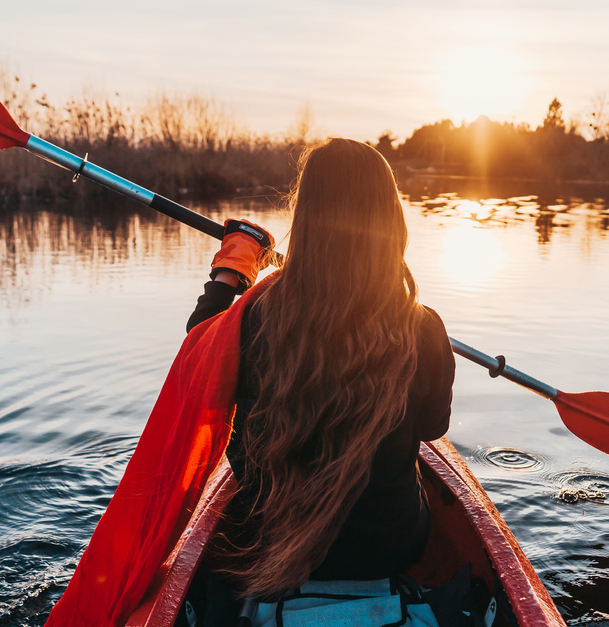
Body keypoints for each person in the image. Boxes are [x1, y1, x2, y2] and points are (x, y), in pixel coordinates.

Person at [186, 137, 457, 624]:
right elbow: (434, 428)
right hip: (390, 548)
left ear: (305, 219)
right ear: (389, 220)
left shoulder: (253, 319)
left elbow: (198, 350)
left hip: (268, 543)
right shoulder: (423, 327)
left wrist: (235, 266)